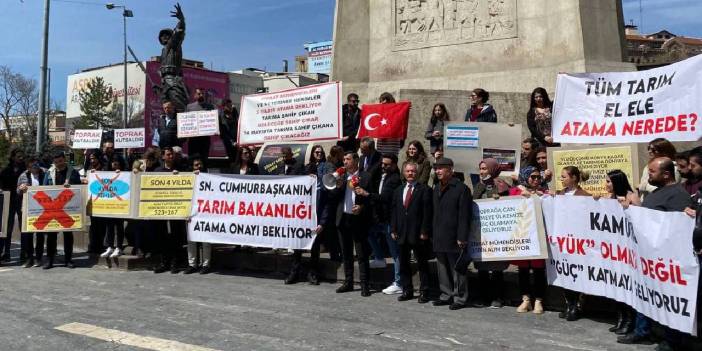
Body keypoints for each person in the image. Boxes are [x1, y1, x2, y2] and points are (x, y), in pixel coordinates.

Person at [618, 157, 693, 349]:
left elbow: (676, 228)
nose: (648, 175)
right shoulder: (659, 192)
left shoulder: (678, 195)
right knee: (646, 295)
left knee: (669, 300)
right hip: (647, 258)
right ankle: (643, 331)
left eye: (652, 171)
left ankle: (673, 340)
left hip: (665, 261)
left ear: (666, 174)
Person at [596, 170, 640, 335]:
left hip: (627, 252)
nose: (606, 185)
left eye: (608, 182)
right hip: (613, 251)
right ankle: (621, 317)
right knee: (617, 286)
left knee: (627, 286)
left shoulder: (631, 196)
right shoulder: (609, 198)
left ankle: (630, 321)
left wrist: (629, 207)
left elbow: (640, 218)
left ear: (617, 182)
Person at [431, 157, 472, 310]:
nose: (438, 171)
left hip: (454, 237)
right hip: (439, 235)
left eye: (441, 168)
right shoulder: (436, 188)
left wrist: (462, 236)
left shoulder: (461, 189)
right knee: (442, 268)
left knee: (458, 269)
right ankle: (445, 294)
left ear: (451, 170)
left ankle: (460, 298)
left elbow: (464, 215)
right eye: (436, 168)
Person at [360, 153, 402, 294]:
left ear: (394, 165)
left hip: (390, 220)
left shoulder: (395, 179)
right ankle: (379, 257)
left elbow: (384, 197)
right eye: (382, 164)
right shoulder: (383, 175)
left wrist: (367, 194)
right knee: (369, 232)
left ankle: (398, 282)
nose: (383, 166)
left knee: (395, 252)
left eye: (386, 164)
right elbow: (370, 172)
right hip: (381, 219)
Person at [391, 161, 433, 303]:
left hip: (418, 233)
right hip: (402, 233)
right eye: (408, 171)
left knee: (422, 264)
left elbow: (427, 212)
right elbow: (395, 211)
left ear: (417, 173)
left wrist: (425, 231)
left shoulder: (425, 189)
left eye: (413, 171)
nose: (410, 173)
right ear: (404, 173)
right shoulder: (398, 190)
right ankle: (407, 290)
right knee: (403, 263)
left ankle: (424, 292)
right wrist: (394, 228)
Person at [509, 166, 548, 314]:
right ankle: (525, 299)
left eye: (538, 177)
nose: (536, 180)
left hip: (538, 237)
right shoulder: (515, 192)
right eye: (533, 177)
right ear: (526, 177)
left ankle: (539, 300)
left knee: (538, 270)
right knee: (523, 270)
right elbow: (506, 205)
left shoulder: (544, 193)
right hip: (523, 236)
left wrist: (536, 197)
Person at [334, 151, 374, 297]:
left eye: (348, 159)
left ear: (356, 161)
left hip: (358, 219)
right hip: (343, 218)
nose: (345, 162)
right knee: (346, 253)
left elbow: (371, 198)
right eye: (343, 159)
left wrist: (362, 207)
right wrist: (337, 187)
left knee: (362, 254)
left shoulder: (366, 176)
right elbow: (334, 197)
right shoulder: (342, 176)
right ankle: (348, 281)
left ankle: (365, 284)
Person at [472, 158, 510, 308]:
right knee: (482, 267)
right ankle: (482, 297)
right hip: (482, 232)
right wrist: (482, 185)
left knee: (496, 268)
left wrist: (495, 193)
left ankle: (497, 297)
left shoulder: (501, 184)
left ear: (492, 169)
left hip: (496, 233)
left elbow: (506, 204)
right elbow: (474, 199)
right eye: (480, 169)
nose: (482, 172)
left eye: (485, 169)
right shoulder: (479, 185)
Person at [285, 159, 329, 285]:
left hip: (315, 224)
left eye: (312, 175)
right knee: (297, 249)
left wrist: (322, 223)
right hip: (300, 223)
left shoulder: (322, 189)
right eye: (307, 175)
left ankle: (313, 274)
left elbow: (326, 207)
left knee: (314, 250)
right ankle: (294, 273)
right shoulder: (297, 189)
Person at [557, 166, 592, 320]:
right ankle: (569, 304)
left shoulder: (585, 196)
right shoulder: (559, 194)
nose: (561, 179)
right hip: (562, 241)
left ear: (574, 178)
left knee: (577, 273)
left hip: (578, 242)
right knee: (565, 272)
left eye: (564, 176)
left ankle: (577, 306)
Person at [41, 151, 82, 269]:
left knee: (68, 234)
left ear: (64, 159)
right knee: (51, 235)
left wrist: (71, 185)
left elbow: (78, 188)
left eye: (60, 161)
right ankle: (49, 260)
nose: (58, 164)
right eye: (56, 162)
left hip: (68, 207)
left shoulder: (73, 172)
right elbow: (43, 188)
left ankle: (68, 260)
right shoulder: (49, 172)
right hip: (53, 207)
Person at [153, 147, 187, 274]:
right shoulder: (157, 171)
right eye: (168, 155)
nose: (171, 157)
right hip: (161, 210)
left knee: (175, 237)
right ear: (163, 157)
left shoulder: (180, 170)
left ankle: (175, 263)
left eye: (172, 154)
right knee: (162, 237)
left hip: (175, 209)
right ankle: (164, 262)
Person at [157, 3, 188, 111]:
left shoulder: (174, 45)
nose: (164, 37)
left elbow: (179, 33)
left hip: (173, 80)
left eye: (167, 35)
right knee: (167, 109)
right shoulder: (163, 51)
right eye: (162, 36)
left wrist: (182, 20)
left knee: (180, 107)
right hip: (165, 83)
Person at [184, 157, 212, 274]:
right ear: (192, 167)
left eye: (200, 164)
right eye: (196, 165)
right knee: (191, 240)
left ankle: (206, 264)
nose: (198, 167)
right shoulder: (188, 179)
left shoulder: (210, 178)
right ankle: (192, 264)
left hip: (205, 213)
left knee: (206, 240)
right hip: (191, 213)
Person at [17, 158, 45, 268]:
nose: (35, 167)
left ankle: (38, 258)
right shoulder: (23, 176)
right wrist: (21, 188)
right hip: (28, 208)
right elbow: (18, 191)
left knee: (40, 235)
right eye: (32, 165)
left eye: (36, 165)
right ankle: (29, 259)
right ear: (28, 167)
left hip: (42, 208)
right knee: (28, 234)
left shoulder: (45, 173)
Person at [0, 148, 26, 262]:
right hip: (8, 202)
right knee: (7, 228)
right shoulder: (6, 170)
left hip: (22, 201)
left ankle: (23, 253)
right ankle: (6, 253)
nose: (20, 158)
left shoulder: (25, 170)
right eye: (18, 156)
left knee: (24, 227)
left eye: (22, 156)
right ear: (13, 157)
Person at [99, 160, 126, 259]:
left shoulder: (125, 174)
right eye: (113, 162)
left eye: (117, 163)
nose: (114, 164)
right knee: (109, 225)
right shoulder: (107, 173)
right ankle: (110, 246)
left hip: (120, 205)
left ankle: (119, 247)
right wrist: (93, 173)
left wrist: (122, 174)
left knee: (119, 226)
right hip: (110, 204)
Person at [185, 88, 215, 170]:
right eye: (199, 93)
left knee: (204, 160)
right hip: (193, 139)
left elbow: (213, 121)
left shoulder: (210, 106)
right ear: (195, 95)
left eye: (202, 93)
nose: (201, 95)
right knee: (192, 159)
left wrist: (214, 129)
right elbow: (185, 121)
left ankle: (203, 177)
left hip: (205, 139)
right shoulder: (189, 107)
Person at [376, 92, 405, 157]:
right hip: (381, 146)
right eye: (381, 101)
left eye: (386, 102)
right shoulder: (378, 113)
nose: (383, 103)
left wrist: (405, 109)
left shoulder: (397, 113)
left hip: (392, 146)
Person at [219, 99, 239, 165]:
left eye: (230, 105)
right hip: (228, 141)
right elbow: (223, 132)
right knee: (231, 159)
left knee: (238, 158)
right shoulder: (221, 116)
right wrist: (232, 142)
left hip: (237, 140)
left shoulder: (235, 113)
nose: (230, 107)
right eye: (228, 106)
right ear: (224, 106)